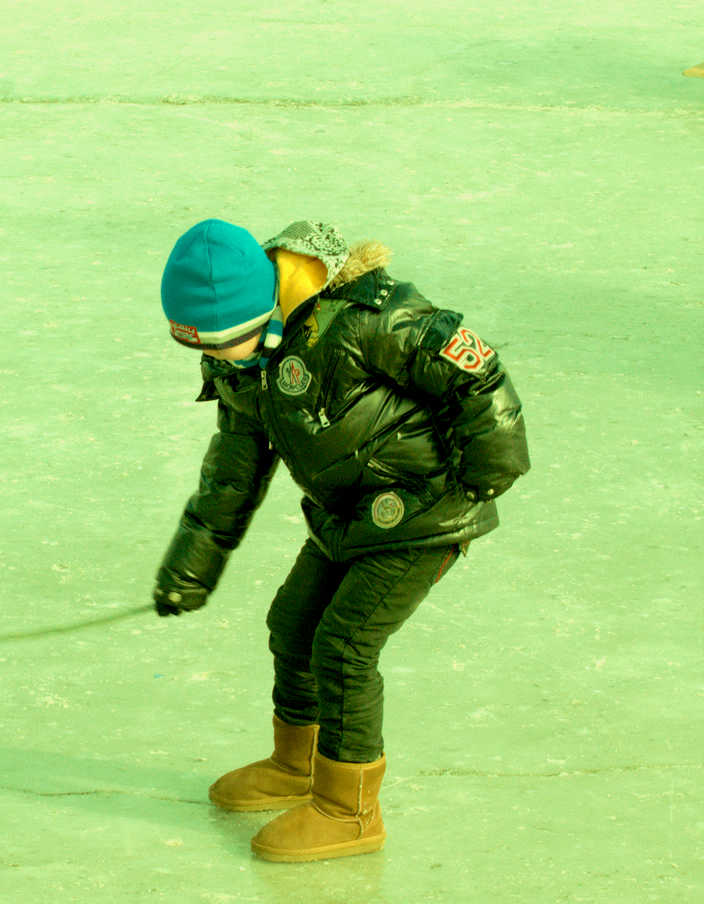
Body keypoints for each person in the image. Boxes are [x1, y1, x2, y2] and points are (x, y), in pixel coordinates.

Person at [154, 219, 530, 862]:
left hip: (424, 511)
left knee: (345, 646)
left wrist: (486, 475)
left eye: (229, 345)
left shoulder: (363, 320)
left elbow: (476, 369)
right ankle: (296, 765)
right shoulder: (245, 365)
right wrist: (192, 567)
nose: (221, 361)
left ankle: (349, 809)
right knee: (292, 625)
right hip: (346, 513)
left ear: (266, 308)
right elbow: (233, 470)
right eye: (206, 351)